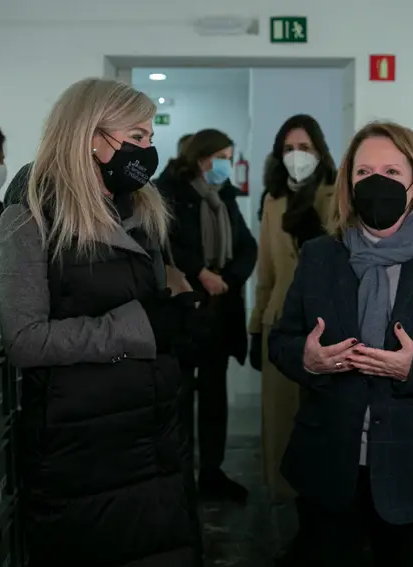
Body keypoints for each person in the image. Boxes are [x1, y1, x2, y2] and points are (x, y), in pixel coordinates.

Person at [267, 121, 413, 567]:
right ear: (349, 184)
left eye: (392, 173)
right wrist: (309, 358)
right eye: (363, 173)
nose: (376, 183)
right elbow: (281, 341)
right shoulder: (322, 255)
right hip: (327, 466)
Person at [0, 77, 204, 567]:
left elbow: (150, 303)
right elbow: (24, 340)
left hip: (152, 435)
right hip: (83, 451)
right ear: (91, 135)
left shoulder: (140, 208)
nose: (148, 150)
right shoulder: (31, 218)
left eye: (150, 137)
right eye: (136, 137)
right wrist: (140, 327)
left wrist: (179, 316)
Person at [248, 114, 337, 563]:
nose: (295, 155)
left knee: (322, 429)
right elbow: (265, 269)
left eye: (303, 146)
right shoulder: (273, 199)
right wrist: (254, 325)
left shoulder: (336, 194)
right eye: (287, 148)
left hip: (327, 329)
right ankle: (297, 518)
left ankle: (323, 523)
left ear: (319, 150)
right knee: (283, 428)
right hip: (280, 324)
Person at [155, 128, 258, 502]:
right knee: (179, 397)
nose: (228, 165)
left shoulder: (223, 195)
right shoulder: (166, 191)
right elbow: (165, 242)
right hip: (182, 309)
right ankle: (179, 477)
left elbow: (247, 245)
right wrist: (200, 271)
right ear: (203, 158)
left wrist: (227, 279)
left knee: (215, 395)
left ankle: (212, 472)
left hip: (218, 309)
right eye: (224, 157)